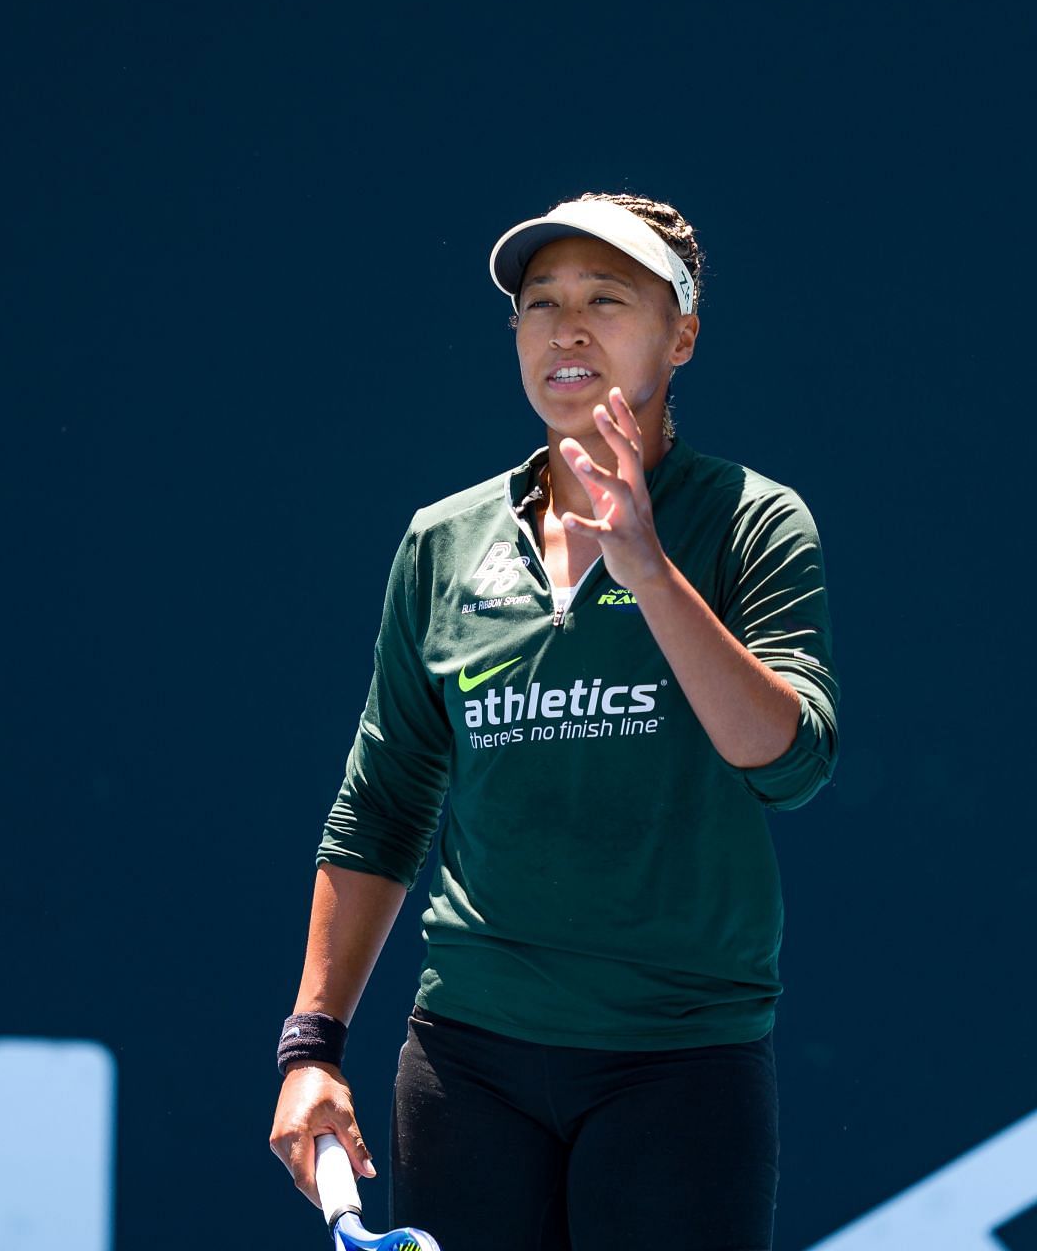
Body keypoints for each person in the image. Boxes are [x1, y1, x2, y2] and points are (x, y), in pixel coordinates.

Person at [267, 194, 838, 1248]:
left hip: (680, 1062)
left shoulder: (755, 519)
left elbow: (788, 760)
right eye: (541, 305)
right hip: (467, 1063)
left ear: (683, 335)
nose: (568, 329)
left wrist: (650, 572)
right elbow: (382, 808)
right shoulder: (441, 542)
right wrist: (312, 1047)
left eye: (607, 300)